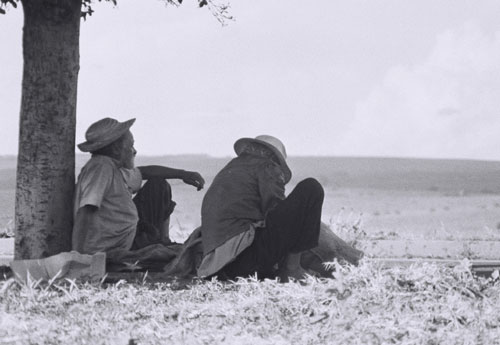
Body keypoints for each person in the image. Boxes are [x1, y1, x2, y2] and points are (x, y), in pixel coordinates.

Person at [72, 117, 205, 267]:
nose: (134, 151)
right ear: (116, 149)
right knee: (180, 255)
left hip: (125, 240)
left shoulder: (114, 168)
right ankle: (160, 245)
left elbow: (145, 172)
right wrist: (78, 256)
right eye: (131, 145)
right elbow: (86, 210)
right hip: (108, 250)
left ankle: (162, 240)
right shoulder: (101, 168)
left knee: (158, 184)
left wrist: (183, 174)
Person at [197, 135, 326, 281]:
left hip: (218, 268)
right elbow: (275, 209)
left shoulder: (231, 168)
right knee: (311, 187)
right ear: (272, 155)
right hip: (245, 260)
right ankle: (292, 268)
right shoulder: (266, 165)